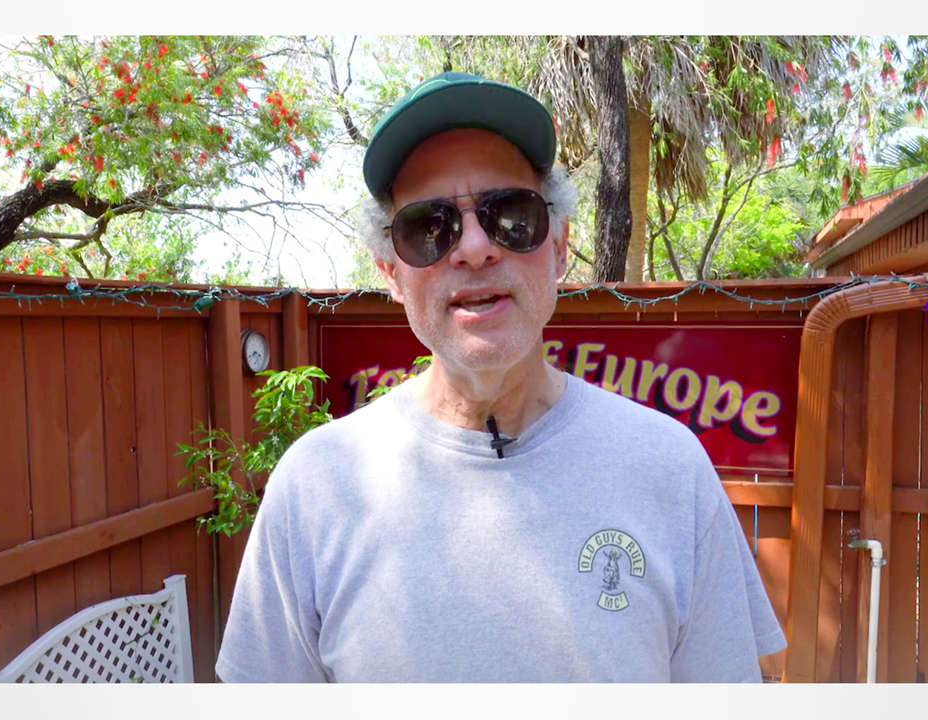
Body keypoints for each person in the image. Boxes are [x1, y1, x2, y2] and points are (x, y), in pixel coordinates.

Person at [216, 71, 785, 682]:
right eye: (429, 227)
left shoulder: (671, 470)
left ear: (559, 246)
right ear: (390, 273)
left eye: (510, 215)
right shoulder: (315, 486)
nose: (474, 248)